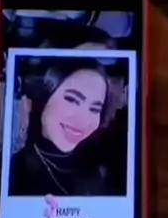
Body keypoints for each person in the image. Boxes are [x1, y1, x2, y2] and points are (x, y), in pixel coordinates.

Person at [8, 58, 119, 196]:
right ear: (42, 96)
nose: (83, 119)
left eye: (95, 109)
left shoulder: (103, 171)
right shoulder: (10, 170)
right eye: (72, 99)